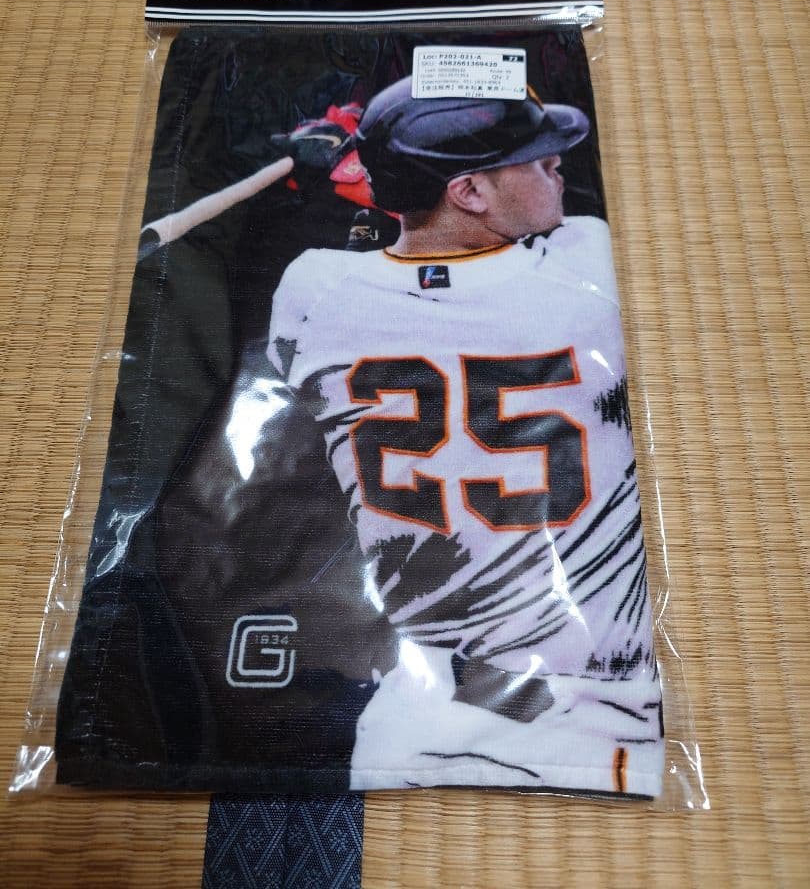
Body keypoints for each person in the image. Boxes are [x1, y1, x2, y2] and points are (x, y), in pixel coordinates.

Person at [260, 76, 665, 797]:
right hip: (594, 723)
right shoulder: (588, 269)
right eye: (535, 156)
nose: (557, 163)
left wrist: (359, 168)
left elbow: (406, 250)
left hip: (408, 719)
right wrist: (359, 167)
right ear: (469, 191)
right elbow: (532, 233)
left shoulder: (311, 292)